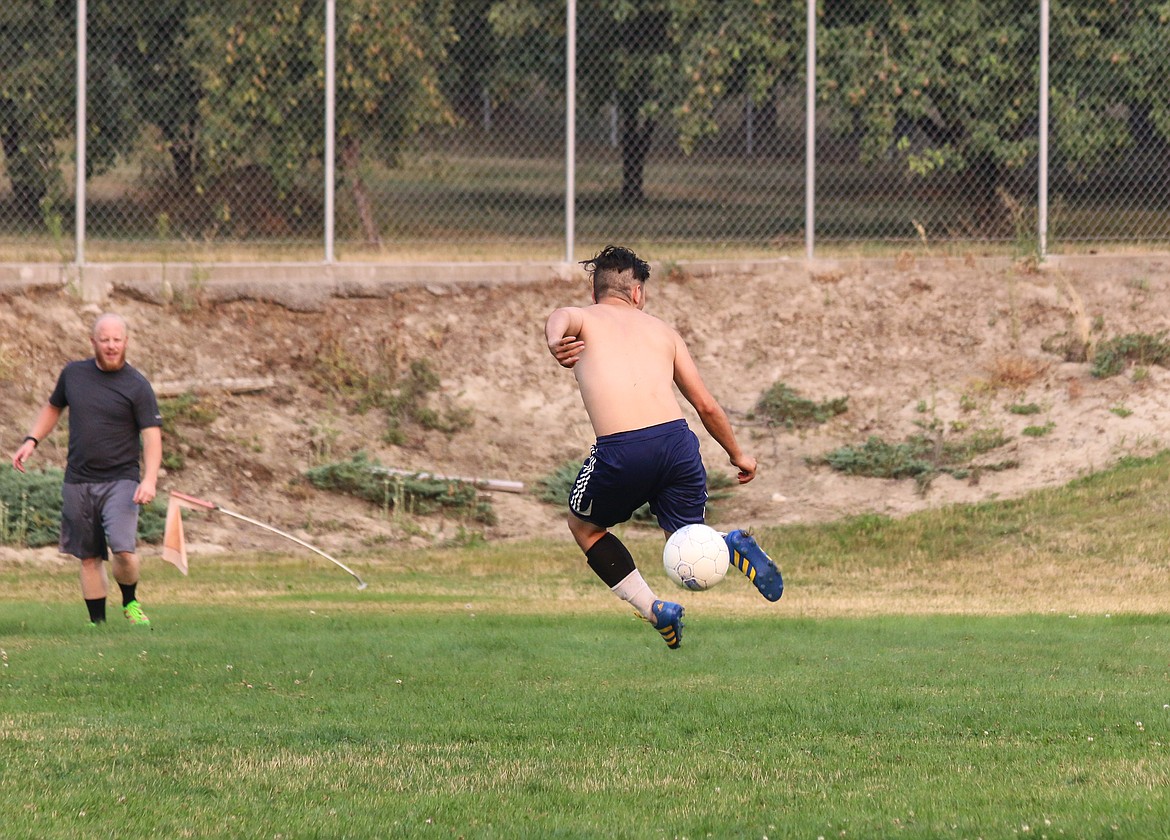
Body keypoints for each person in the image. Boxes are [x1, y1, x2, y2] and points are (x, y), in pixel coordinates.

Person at [545, 245, 783, 650]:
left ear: (594, 291)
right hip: (678, 443)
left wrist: (555, 342)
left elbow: (560, 317)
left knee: (583, 526)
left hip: (623, 449)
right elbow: (705, 405)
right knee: (686, 536)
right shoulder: (663, 332)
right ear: (637, 293)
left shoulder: (581, 320)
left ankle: (654, 608)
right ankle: (727, 542)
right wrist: (738, 454)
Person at [11, 312, 163, 627]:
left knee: (123, 550)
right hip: (78, 480)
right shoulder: (73, 375)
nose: (110, 345)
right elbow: (53, 407)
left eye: (116, 340)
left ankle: (130, 602)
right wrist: (31, 440)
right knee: (89, 557)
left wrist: (149, 480)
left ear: (126, 342)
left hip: (121, 480)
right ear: (93, 341)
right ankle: (98, 626)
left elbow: (151, 437)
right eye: (104, 339)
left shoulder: (137, 386)